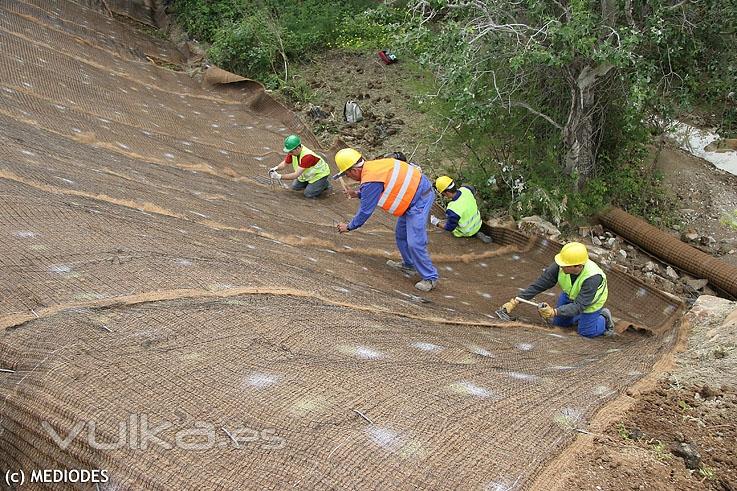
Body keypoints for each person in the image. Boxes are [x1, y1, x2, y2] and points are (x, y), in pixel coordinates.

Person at [333, 148, 439, 292]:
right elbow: (378, 187)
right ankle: (409, 265)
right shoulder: (373, 167)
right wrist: (357, 194)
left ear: (353, 170)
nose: (348, 178)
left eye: (347, 174)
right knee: (401, 235)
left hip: (419, 200)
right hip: (410, 199)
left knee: (415, 242)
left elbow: (365, 210)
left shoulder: (371, 179)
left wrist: (349, 226)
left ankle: (430, 278)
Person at [497, 242, 614, 337]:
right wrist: (516, 301)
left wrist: (554, 312)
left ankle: (603, 317)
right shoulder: (561, 265)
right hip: (570, 296)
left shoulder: (593, 278)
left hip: (589, 303)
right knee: (559, 324)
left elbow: (579, 306)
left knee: (586, 332)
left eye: (565, 265)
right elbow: (540, 284)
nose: (561, 266)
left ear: (578, 266)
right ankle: (580, 317)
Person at [430, 176, 492, 244]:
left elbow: (450, 228)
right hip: (478, 224)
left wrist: (437, 222)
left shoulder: (453, 208)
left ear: (447, 192)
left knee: (451, 223)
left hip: (465, 232)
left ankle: (472, 235)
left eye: (442, 193)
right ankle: (477, 233)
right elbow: (473, 190)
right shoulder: (466, 189)